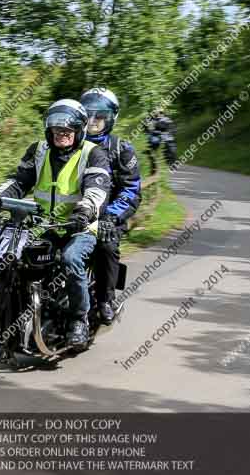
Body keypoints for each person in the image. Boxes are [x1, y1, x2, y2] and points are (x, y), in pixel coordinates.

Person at [0, 99, 111, 348]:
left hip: (80, 227)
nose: (62, 134)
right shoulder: (38, 150)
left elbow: (97, 190)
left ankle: (79, 320)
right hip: (43, 225)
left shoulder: (93, 154)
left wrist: (85, 211)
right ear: (49, 130)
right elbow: (18, 182)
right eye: (56, 129)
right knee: (14, 262)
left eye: (67, 129)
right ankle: (11, 321)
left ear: (80, 129)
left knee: (70, 259)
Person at [80, 88, 142, 324]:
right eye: (89, 115)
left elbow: (131, 190)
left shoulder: (121, 149)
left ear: (110, 118)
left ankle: (106, 299)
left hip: (106, 217)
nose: (94, 121)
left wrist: (110, 217)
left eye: (100, 116)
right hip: (73, 214)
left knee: (106, 246)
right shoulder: (69, 143)